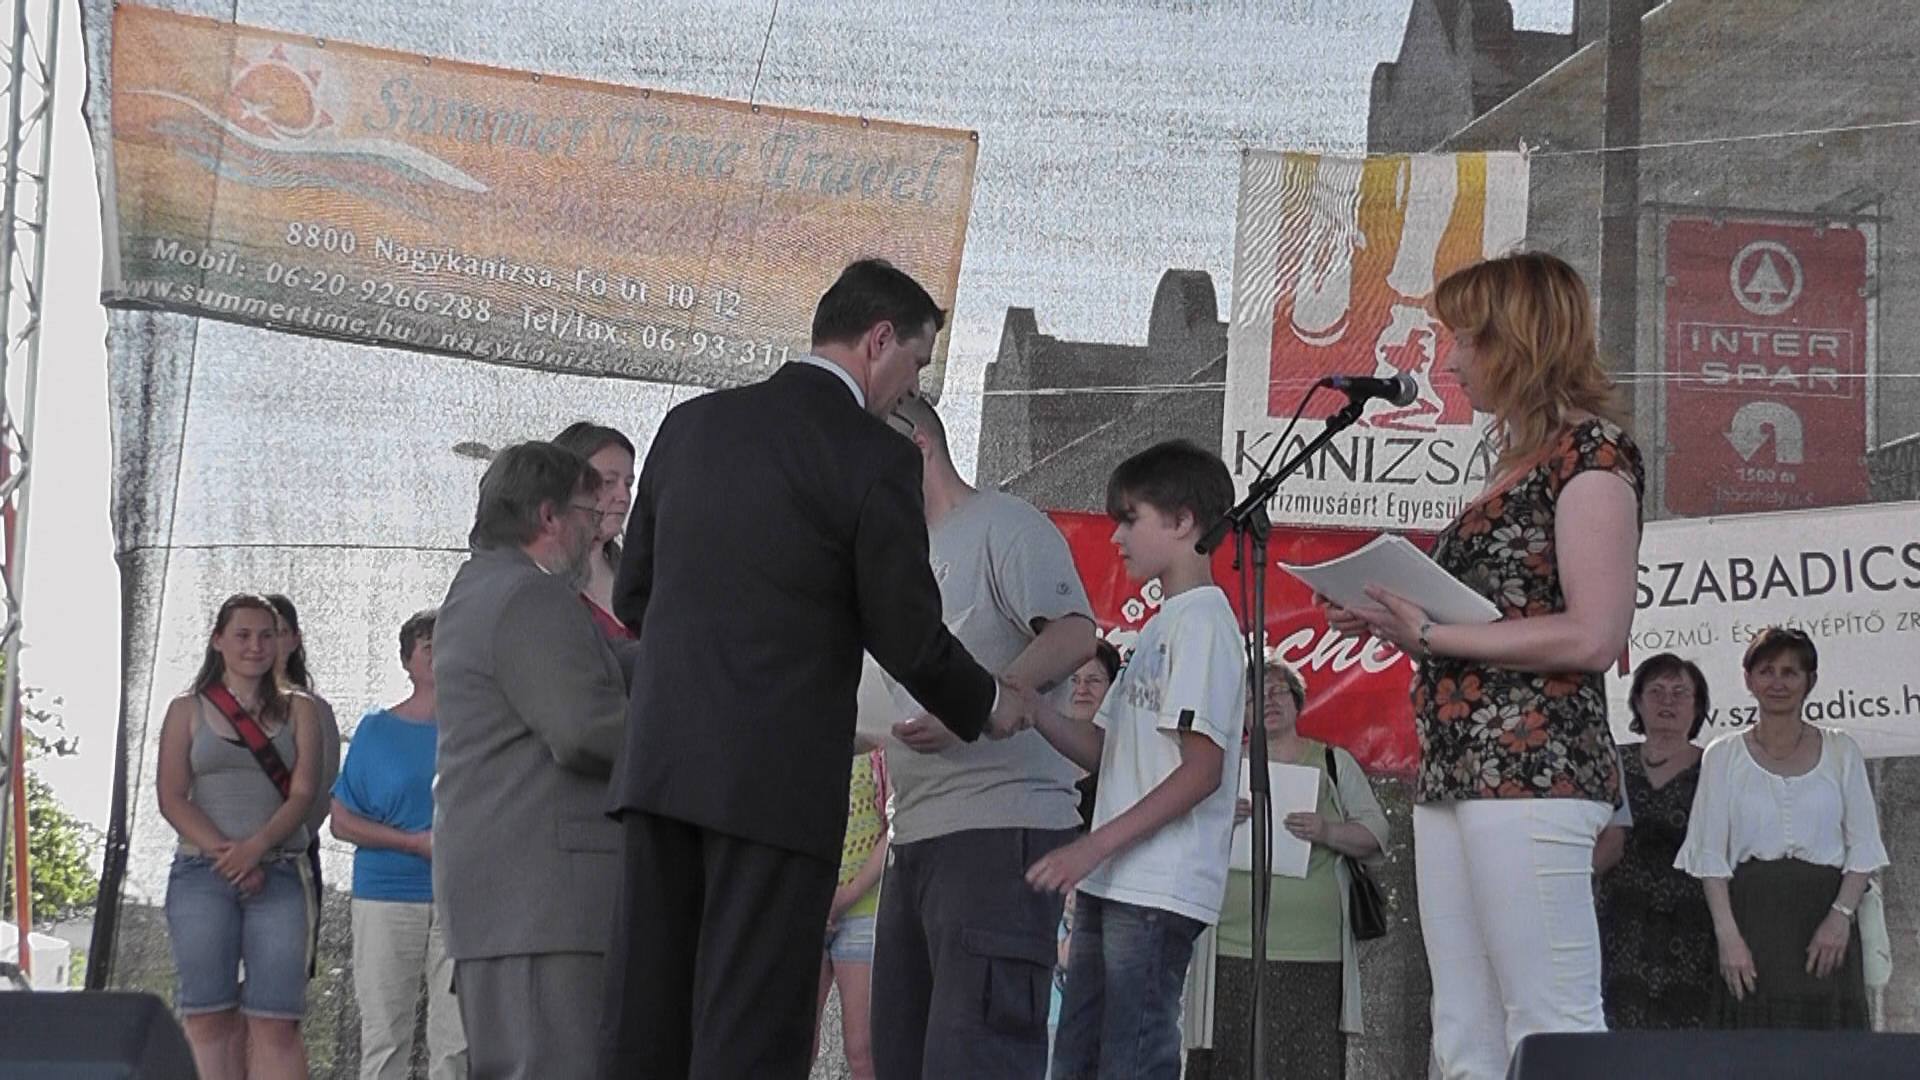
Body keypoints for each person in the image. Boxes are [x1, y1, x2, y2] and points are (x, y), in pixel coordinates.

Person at [598, 259, 1026, 1080]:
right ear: (879, 340)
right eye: (917, 362)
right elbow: (907, 632)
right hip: (776, 782)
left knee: (645, 1012)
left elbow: (635, 594)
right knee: (751, 1020)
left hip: (662, 767)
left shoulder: (691, 424)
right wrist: (986, 703)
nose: (911, 388)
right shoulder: (875, 456)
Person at [1324, 251, 1645, 1080]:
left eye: (1466, 339)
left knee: (1550, 1017)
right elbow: (1488, 624)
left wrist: (1434, 636)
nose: (1452, 361)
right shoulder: (1512, 466)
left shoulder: (1594, 455)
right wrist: (1399, 623)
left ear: (1519, 341)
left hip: (1535, 766)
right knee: (1462, 1027)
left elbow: (1593, 634)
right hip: (1457, 767)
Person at [872, 394, 1097, 1080]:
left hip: (999, 829)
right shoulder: (890, 557)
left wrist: (977, 701)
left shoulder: (1005, 524)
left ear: (917, 446)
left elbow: (1075, 634)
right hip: (913, 832)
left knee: (974, 1056)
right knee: (900, 1055)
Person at [1025, 439, 1247, 1080]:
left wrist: (1091, 846)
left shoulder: (1203, 623)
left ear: (1183, 522)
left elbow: (1202, 771)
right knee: (1078, 1058)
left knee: (1131, 1058)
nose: (1116, 536)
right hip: (1114, 878)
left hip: (1156, 884)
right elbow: (1106, 749)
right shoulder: (1161, 624)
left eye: (1130, 518)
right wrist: (1034, 709)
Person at [433, 442, 630, 1080]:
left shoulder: (480, 589)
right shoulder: (530, 598)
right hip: (547, 906)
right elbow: (585, 729)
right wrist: (700, 749)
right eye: (588, 513)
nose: (595, 531)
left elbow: (601, 663)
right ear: (549, 516)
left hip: (508, 905)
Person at [1185, 659, 1388, 1080]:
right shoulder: (1219, 768)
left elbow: (1376, 834)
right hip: (1230, 948)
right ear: (1239, 713)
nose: (1268, 702)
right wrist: (1218, 821)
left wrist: (1328, 830)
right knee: (1230, 1061)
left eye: (1278, 691)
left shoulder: (1332, 762)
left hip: (1314, 952)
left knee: (1307, 1064)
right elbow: (1183, 838)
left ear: (1297, 702)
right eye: (1253, 697)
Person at [1676, 627, 1888, 1029]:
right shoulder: (1722, 755)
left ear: (1811, 681)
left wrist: (1840, 917)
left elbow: (1863, 848)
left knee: (1829, 1049)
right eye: (1767, 671)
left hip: (1825, 925)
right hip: (1752, 922)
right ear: (1748, 679)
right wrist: (1729, 939)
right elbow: (1709, 856)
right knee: (1753, 1045)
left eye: (1790, 672)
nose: (1778, 682)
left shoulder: (1841, 750)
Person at [157, 593, 323, 1080]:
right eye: (243, 635)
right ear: (217, 641)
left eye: (266, 636)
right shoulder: (186, 709)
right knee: (207, 1016)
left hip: (280, 871)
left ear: (281, 643)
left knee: (277, 1023)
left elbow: (303, 794)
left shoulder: (301, 710)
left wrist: (256, 848)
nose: (255, 646)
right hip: (201, 872)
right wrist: (229, 856)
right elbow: (171, 796)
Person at [331, 609, 468, 1080]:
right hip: (386, 895)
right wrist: (412, 843)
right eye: (429, 646)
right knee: (386, 1032)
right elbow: (342, 821)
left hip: (461, 898)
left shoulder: (479, 729)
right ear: (408, 661)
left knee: (457, 1038)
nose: (440, 653)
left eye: (448, 642)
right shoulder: (376, 730)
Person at [1594, 653, 1717, 1030]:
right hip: (1618, 924)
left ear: (1698, 705)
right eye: (1657, 691)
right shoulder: (1611, 762)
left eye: (1680, 692)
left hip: (1692, 926)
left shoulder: (1716, 768)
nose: (1668, 701)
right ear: (1637, 701)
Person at [266, 592, 340, 976]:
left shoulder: (315, 710)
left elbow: (321, 795)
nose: (266, 643)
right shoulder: (209, 707)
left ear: (295, 640)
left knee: (281, 989)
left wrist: (272, 844)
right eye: (255, 633)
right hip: (220, 861)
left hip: (292, 860)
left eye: (278, 632)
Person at [814, 746, 890, 1080]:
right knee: (793, 1043)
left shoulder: (880, 748)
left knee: (862, 1051)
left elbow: (895, 824)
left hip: (863, 908)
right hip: (805, 907)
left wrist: (847, 894)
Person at [551, 422, 637, 641]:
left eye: (628, 484)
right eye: (608, 482)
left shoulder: (637, 575)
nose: (624, 497)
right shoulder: (543, 580)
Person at [1069, 641, 1122, 830]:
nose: (1081, 689)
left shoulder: (1122, 760)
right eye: (1073, 680)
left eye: (1093, 681)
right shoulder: (1045, 761)